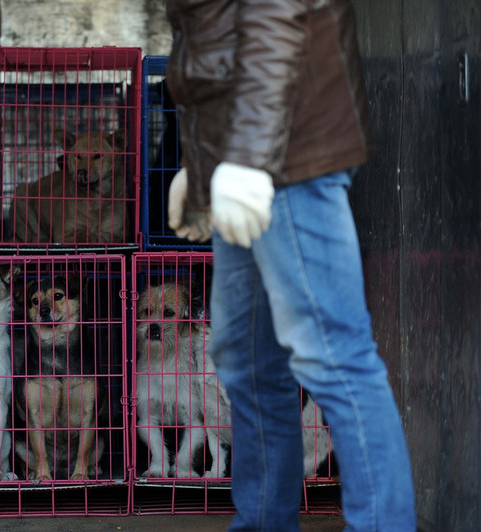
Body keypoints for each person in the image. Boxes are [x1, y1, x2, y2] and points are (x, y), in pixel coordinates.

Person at [163, 1, 416, 531]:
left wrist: (250, 160)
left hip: (286, 156)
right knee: (245, 358)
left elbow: (274, 22)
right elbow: (218, 39)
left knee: (334, 355)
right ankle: (262, 522)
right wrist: (204, 166)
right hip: (246, 157)